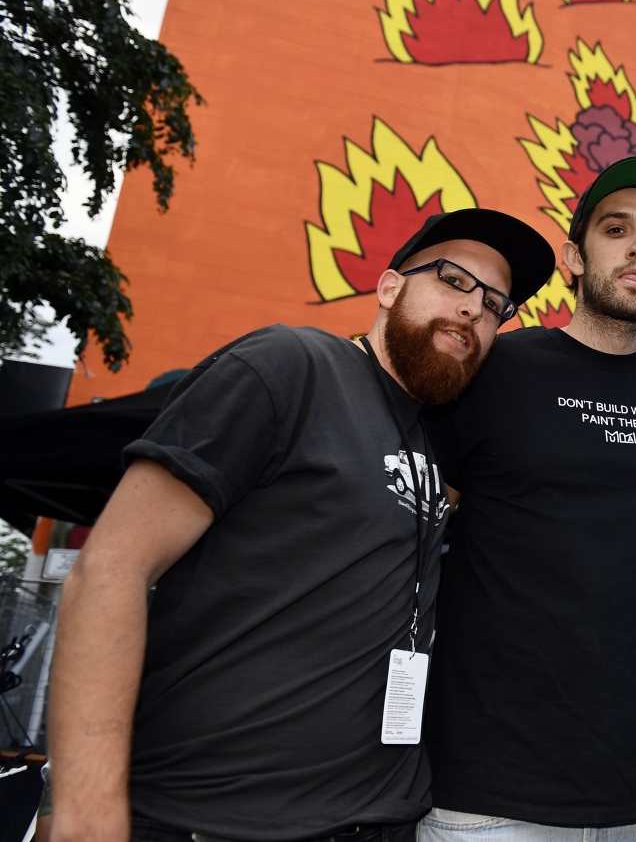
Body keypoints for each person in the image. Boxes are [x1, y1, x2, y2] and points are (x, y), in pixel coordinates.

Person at [48, 209, 556, 842]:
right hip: (210, 819)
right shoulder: (288, 366)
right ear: (391, 286)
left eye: (496, 305)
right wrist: (86, 813)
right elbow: (110, 570)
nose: (473, 309)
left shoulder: (437, 444)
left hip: (379, 820)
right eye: (452, 279)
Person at [419, 157, 636, 842]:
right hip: (484, 797)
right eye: (616, 228)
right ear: (574, 256)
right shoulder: (494, 369)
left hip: (633, 802)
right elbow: (411, 538)